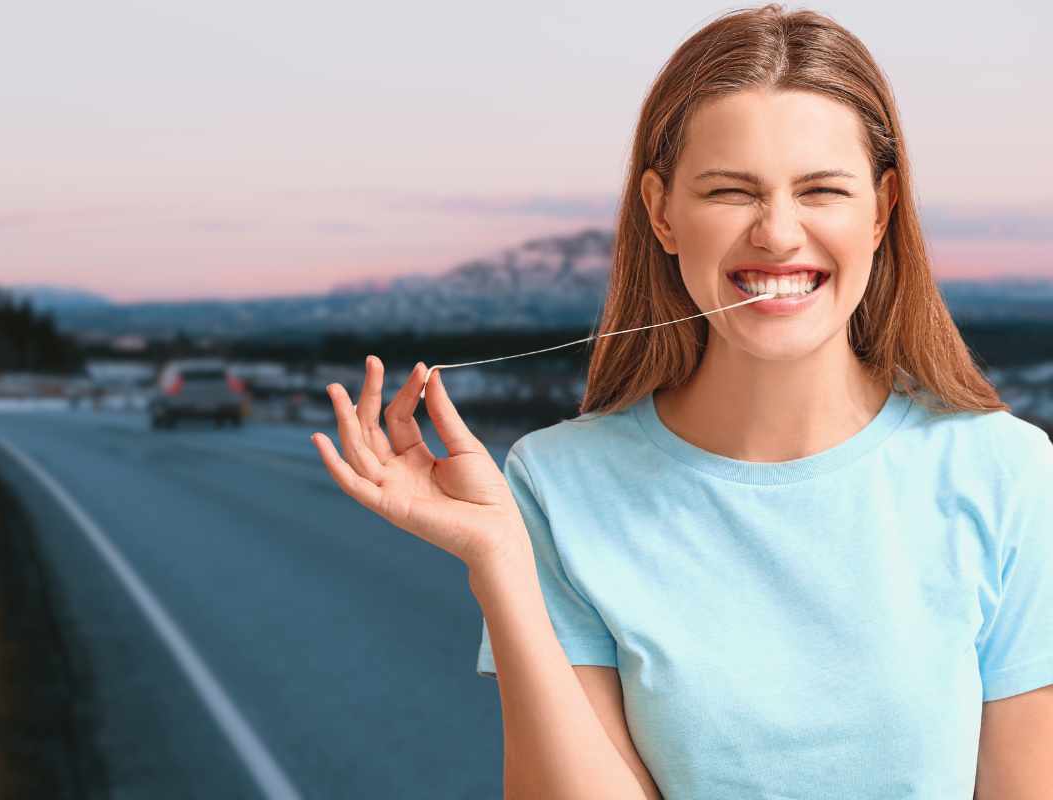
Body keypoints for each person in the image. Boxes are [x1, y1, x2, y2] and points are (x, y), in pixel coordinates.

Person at [310, 4, 1053, 798]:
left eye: (821, 191)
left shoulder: (1004, 472)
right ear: (662, 212)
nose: (777, 233)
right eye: (731, 192)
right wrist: (502, 564)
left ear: (883, 209)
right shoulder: (555, 486)